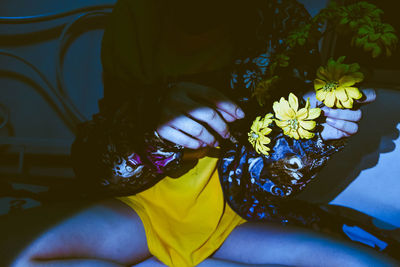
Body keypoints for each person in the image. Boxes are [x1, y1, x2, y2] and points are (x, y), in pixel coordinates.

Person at [6, 0, 400, 266]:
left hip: (236, 215)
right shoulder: (135, 18)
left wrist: (310, 140)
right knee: (19, 250)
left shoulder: (282, 22)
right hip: (138, 205)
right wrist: (152, 127)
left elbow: (262, 183)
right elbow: (97, 159)